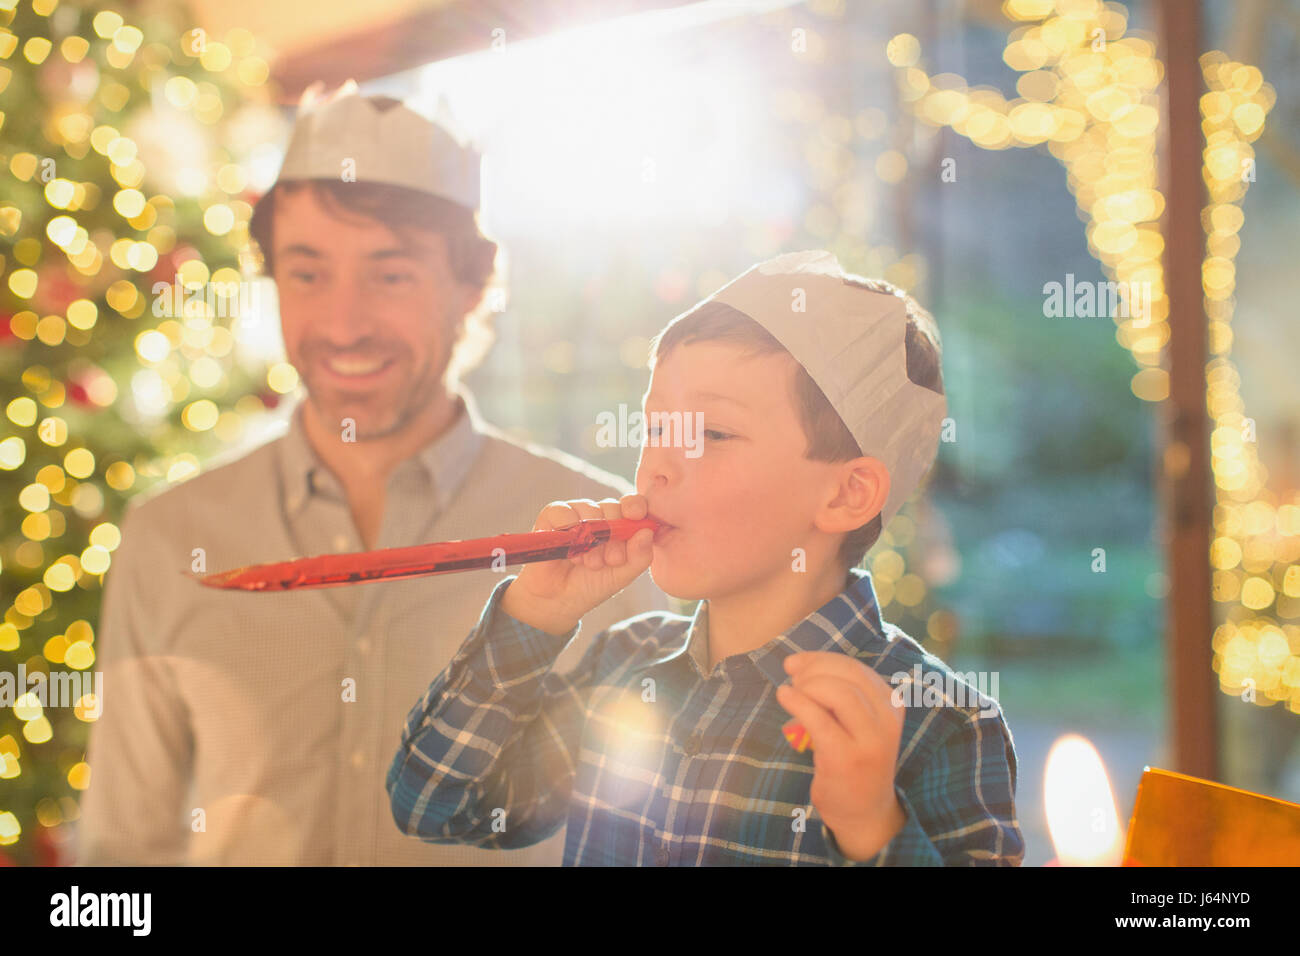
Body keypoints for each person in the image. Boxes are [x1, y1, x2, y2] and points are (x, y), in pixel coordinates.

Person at [76, 83, 664, 865]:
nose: (345, 323)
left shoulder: (601, 555)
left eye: (391, 276)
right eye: (308, 274)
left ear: (470, 287)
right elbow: (125, 854)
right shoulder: (168, 540)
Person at [388, 250, 1024, 865]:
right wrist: (532, 618)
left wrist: (870, 827)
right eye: (657, 428)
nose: (657, 466)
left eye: (712, 434)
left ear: (846, 493)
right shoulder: (623, 665)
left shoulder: (943, 722)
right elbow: (435, 805)